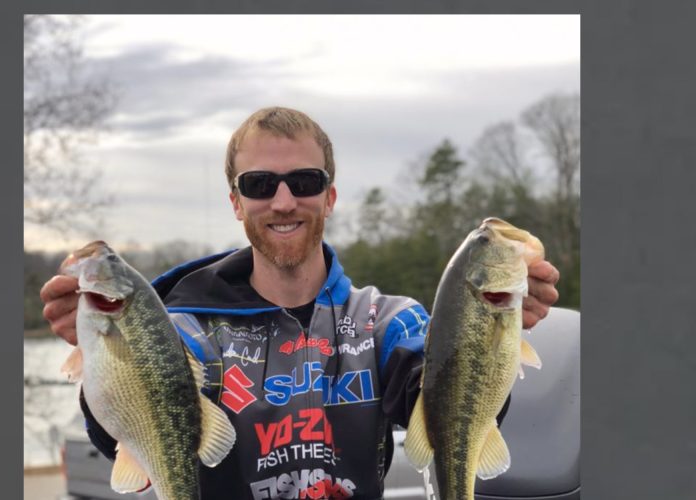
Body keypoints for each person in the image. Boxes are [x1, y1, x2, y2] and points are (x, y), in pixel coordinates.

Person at [40, 107, 560, 499]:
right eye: (260, 184)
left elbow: (448, 410)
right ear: (236, 202)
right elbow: (132, 434)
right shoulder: (185, 329)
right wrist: (101, 350)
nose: (284, 201)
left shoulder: (388, 321)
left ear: (329, 197)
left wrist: (492, 330)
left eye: (305, 181)